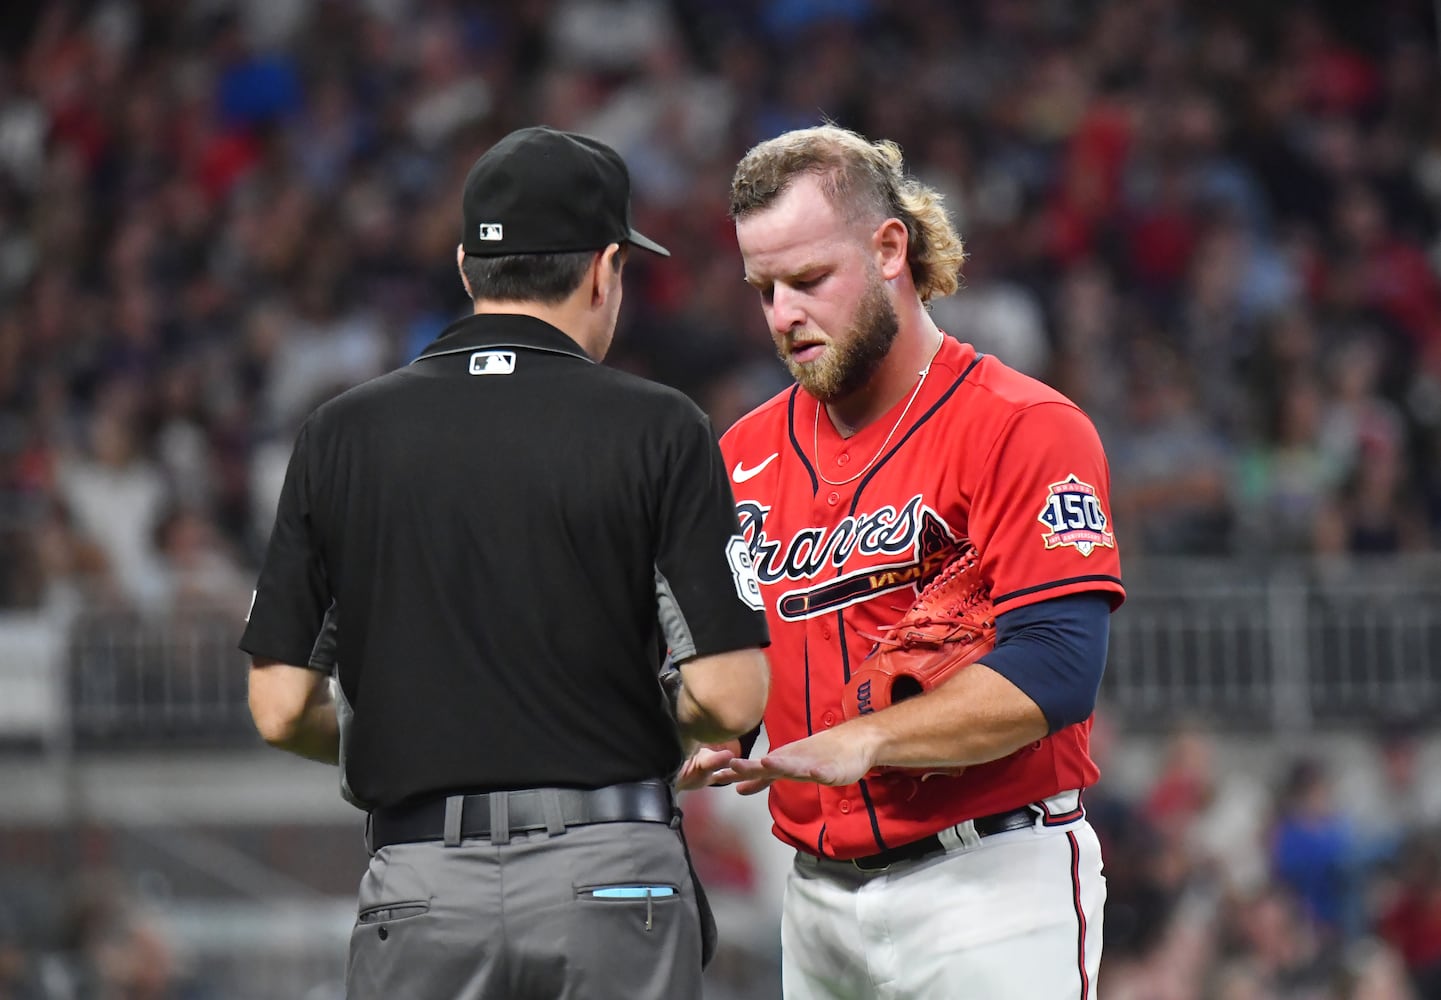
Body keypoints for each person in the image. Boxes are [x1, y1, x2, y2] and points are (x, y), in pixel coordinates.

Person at [239, 125, 771, 1000]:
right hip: (609, 874)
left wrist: (418, 740)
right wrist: (628, 733)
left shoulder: (340, 433)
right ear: (605, 269)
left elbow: (278, 704)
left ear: (465, 269)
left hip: (418, 886)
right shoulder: (659, 426)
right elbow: (732, 696)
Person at [707, 124, 1126, 998]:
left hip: (993, 885)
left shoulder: (1022, 425)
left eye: (810, 279)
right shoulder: (741, 454)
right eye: (765, 288)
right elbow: (743, 663)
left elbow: (1056, 669)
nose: (785, 313)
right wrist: (718, 728)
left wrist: (868, 739)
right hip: (814, 899)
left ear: (888, 246)